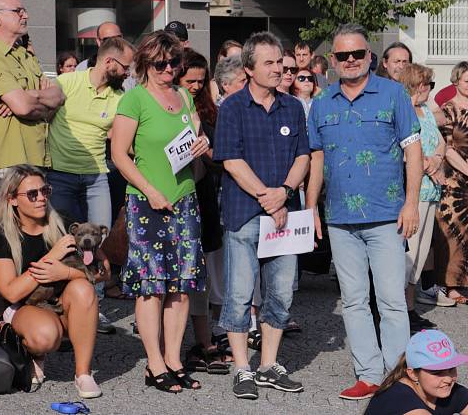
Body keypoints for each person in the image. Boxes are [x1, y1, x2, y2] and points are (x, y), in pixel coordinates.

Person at [306, 23, 423, 400]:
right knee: (354, 300)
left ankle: (398, 378)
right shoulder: (322, 102)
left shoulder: (393, 94)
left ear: (370, 56)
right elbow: (316, 157)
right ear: (334, 61)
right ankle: (369, 374)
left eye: (358, 53)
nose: (351, 60)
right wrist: (310, 205)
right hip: (340, 218)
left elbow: (414, 152)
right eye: (343, 55)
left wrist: (411, 203)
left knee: (391, 300)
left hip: (388, 214)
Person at [110, 30, 209, 393]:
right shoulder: (134, 99)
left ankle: (174, 360)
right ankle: (154, 364)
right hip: (146, 202)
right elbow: (119, 155)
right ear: (145, 64)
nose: (169, 69)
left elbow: (192, 136)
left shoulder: (183, 95)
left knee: (181, 286)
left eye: (174, 63)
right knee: (151, 286)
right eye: (160, 64)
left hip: (184, 199)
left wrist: (201, 142)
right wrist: (150, 190)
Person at [214, 31, 310, 400]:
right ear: (250, 68)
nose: (278, 68)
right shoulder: (233, 108)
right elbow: (231, 160)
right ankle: (242, 367)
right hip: (244, 214)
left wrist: (284, 193)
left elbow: (303, 155)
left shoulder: (292, 107)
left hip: (285, 215)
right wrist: (267, 196)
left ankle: (268, 365)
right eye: (269, 62)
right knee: (239, 293)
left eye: (280, 62)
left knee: (282, 292)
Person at [0, 165, 106, 398]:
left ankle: (83, 374)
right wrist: (52, 256)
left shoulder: (64, 223)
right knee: (45, 337)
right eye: (32, 194)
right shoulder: (1, 235)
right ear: (12, 199)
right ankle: (33, 352)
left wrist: (66, 273)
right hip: (25, 306)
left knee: (83, 288)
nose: (41, 198)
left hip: (63, 300)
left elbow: (105, 271)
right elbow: (11, 293)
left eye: (45, 190)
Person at [47, 36, 134, 334]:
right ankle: (59, 305)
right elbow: (40, 106)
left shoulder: (120, 96)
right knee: (63, 242)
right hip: (59, 174)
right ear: (109, 62)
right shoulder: (67, 82)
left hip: (96, 176)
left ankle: (93, 309)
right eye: (125, 67)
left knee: (97, 241)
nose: (128, 73)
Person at [0, 0, 65, 215]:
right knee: (2, 242)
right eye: (18, 11)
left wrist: (27, 97)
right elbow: (23, 106)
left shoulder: (26, 56)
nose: (26, 15)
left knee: (33, 243)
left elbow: (58, 98)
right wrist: (32, 101)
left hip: (36, 161)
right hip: (5, 168)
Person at [173, 49, 230, 375]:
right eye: (188, 80)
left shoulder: (211, 111)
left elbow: (219, 157)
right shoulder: (168, 107)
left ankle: (210, 336)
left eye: (199, 81)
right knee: (183, 271)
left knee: (207, 266)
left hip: (204, 192)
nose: (194, 87)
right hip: (176, 193)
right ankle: (189, 340)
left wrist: (206, 149)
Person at [433, 61, 468, 304]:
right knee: (453, 231)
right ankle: (451, 284)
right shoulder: (446, 110)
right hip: (456, 178)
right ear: (456, 81)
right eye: (467, 80)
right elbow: (446, 147)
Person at [399, 64, 445, 331]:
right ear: (415, 85)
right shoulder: (403, 110)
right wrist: (426, 165)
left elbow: (441, 142)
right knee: (409, 251)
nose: (429, 89)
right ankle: (400, 310)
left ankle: (410, 307)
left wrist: (436, 159)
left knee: (420, 253)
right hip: (413, 191)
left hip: (432, 190)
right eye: (427, 84)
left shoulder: (426, 111)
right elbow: (401, 146)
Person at [365, 330, 468, 415]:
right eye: (437, 372)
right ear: (412, 374)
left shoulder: (445, 389)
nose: (448, 379)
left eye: (451, 369)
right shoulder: (400, 399)